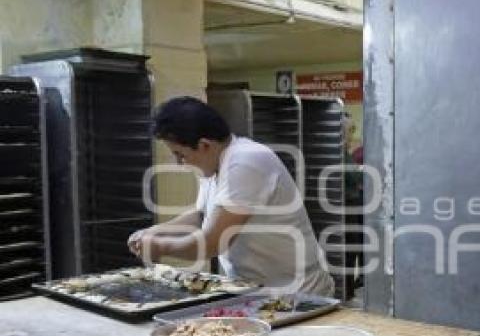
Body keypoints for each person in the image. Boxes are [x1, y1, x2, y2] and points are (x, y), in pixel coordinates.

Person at [128, 96, 335, 297]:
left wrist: (160, 247)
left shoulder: (246, 161)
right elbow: (202, 216)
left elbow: (212, 243)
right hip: (253, 289)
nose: (179, 163)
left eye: (180, 155)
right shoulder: (214, 165)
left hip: (297, 292)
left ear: (205, 145)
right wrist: (155, 231)